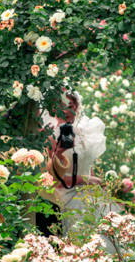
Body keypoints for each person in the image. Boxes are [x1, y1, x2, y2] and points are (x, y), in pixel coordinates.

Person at [38, 90, 120, 239]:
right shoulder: (50, 136)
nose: (68, 111)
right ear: (53, 109)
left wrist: (98, 185)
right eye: (63, 107)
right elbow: (53, 179)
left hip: (91, 192)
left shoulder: (85, 131)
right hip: (66, 195)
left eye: (71, 106)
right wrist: (86, 179)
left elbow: (88, 166)